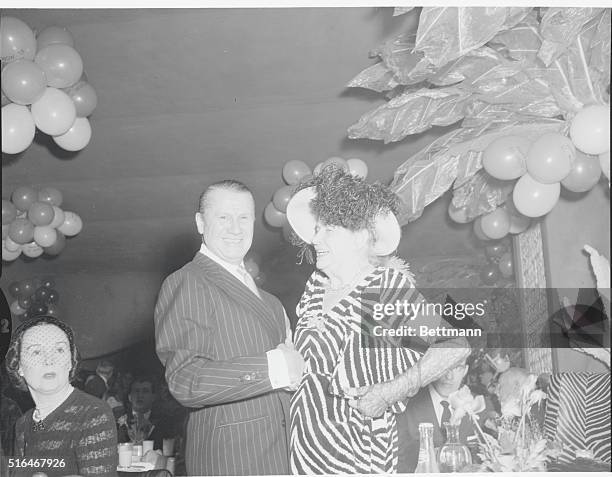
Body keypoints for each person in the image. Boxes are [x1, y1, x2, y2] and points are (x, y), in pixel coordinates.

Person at [285, 165, 471, 474]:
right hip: (304, 453)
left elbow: (458, 342)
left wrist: (390, 392)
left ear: (360, 236)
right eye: (316, 229)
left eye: (328, 229)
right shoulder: (315, 289)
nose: (316, 239)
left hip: (357, 456)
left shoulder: (381, 288)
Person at [154, 179, 305, 475]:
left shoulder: (272, 302)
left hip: (282, 457)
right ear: (200, 223)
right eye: (223, 217)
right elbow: (185, 379)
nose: (236, 229)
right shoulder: (188, 281)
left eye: (244, 218)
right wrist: (273, 368)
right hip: (231, 460)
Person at [5, 315, 118, 477]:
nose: (49, 360)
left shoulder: (92, 413)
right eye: (36, 351)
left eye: (59, 350)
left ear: (71, 361)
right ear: (19, 366)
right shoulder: (23, 424)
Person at [396, 358, 483, 472]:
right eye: (444, 366)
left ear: (465, 370)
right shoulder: (404, 406)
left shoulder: (480, 406)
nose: (449, 376)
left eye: (457, 368)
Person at [116, 374, 183, 450]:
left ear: (153, 397)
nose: (140, 395)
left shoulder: (165, 421)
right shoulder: (118, 419)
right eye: (136, 391)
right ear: (129, 397)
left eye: (145, 391)